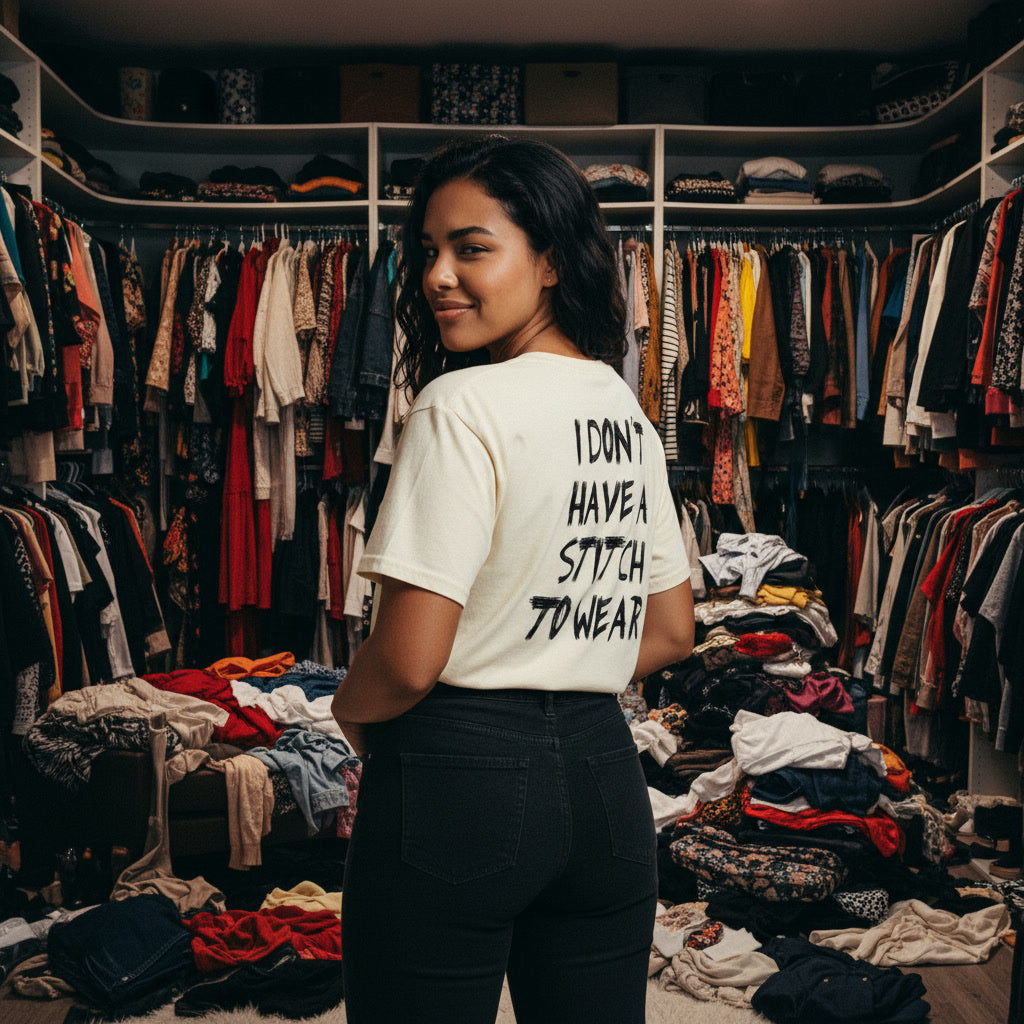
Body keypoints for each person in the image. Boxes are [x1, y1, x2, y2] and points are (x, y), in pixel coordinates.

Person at [332, 135, 695, 1024]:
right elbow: (673, 631)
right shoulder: (623, 409)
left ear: (551, 263)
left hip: (460, 775)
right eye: (428, 252)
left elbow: (411, 661)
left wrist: (348, 712)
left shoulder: (461, 405)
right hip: (607, 783)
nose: (438, 277)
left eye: (472, 247)